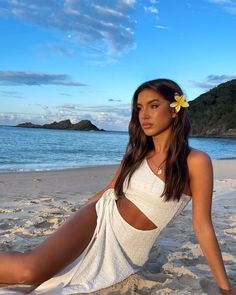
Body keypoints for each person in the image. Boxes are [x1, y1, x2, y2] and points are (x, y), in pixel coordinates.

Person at [0, 78, 235, 295]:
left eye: (153, 106)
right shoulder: (137, 155)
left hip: (128, 251)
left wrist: (225, 288)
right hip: (99, 217)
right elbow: (109, 190)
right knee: (28, 271)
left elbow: (202, 226)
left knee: (40, 277)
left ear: (174, 110)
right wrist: (73, 220)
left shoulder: (196, 161)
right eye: (139, 108)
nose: (144, 115)